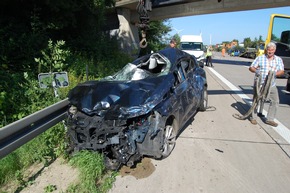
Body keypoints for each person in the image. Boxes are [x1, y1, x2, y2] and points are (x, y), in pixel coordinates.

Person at [248, 42, 284, 127]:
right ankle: (253, 117)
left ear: (274, 50)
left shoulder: (278, 59)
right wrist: (256, 71)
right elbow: (251, 67)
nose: (270, 51)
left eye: (272, 50)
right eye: (268, 49)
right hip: (259, 84)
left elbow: (282, 71)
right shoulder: (260, 58)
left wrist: (275, 74)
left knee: (275, 101)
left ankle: (270, 119)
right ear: (266, 50)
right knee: (256, 100)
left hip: (271, 84)